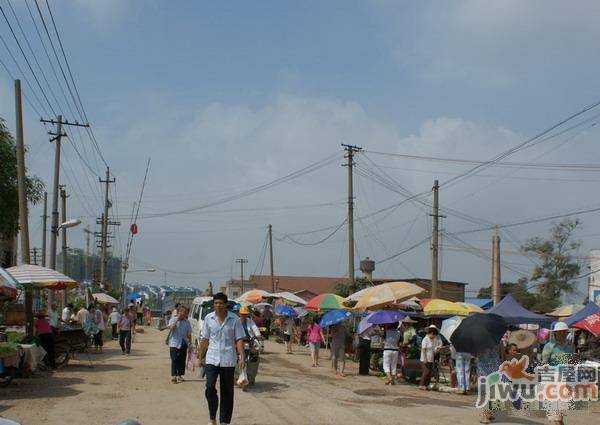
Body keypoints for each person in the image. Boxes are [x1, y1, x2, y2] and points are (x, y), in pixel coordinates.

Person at [198, 293, 245, 425]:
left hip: (228, 359)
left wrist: (242, 357)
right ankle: (212, 417)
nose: (218, 306)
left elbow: (239, 339)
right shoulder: (208, 318)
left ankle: (224, 421)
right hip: (212, 359)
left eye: (221, 303)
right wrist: (201, 356)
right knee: (209, 387)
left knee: (227, 392)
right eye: (216, 303)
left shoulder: (235, 319)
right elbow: (205, 339)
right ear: (214, 304)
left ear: (226, 305)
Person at [542, 322, 574, 425]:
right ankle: (557, 420)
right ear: (555, 333)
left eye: (564, 332)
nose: (562, 334)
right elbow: (544, 362)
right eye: (560, 332)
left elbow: (572, 360)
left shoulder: (571, 345)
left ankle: (558, 419)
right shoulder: (549, 346)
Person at [168, 305, 192, 383]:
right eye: (182, 312)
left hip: (183, 343)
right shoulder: (173, 319)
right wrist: (177, 320)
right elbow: (172, 328)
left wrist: (190, 343)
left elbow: (189, 334)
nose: (183, 313)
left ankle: (180, 375)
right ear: (178, 312)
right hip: (174, 343)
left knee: (182, 360)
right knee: (174, 359)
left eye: (185, 312)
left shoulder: (187, 322)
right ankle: (174, 376)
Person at [419, 325, 442, 390]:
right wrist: (425, 358)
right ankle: (421, 384)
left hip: (431, 358)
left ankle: (426, 385)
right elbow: (423, 349)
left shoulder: (433, 340)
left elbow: (434, 350)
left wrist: (437, 350)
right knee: (426, 372)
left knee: (429, 373)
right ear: (430, 333)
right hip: (424, 358)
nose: (434, 336)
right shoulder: (425, 339)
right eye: (433, 334)